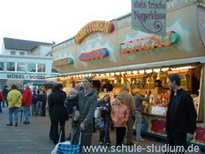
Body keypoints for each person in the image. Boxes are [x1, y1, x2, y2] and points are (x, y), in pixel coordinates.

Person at [166, 74, 197, 152]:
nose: (168, 84)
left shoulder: (186, 96)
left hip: (180, 131)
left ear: (174, 82)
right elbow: (170, 112)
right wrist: (166, 126)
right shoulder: (172, 95)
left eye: (169, 82)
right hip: (171, 131)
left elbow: (192, 114)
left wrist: (190, 131)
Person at [70, 77, 97, 148]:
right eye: (83, 82)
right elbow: (71, 104)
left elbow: (92, 110)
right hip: (77, 120)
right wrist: (74, 111)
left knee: (85, 144)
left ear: (90, 84)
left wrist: (84, 122)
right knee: (74, 143)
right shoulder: (79, 94)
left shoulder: (93, 95)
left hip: (87, 123)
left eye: (86, 82)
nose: (84, 83)